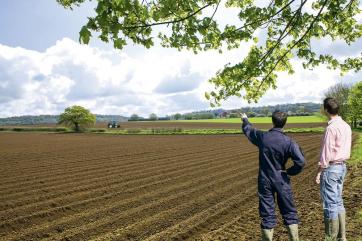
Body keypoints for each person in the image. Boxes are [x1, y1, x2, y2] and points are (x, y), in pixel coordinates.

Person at [241, 111, 305, 241]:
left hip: (265, 179)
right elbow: (301, 162)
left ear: (273, 121)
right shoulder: (289, 142)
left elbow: (249, 130)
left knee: (267, 214)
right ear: (285, 123)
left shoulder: (263, 137)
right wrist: (290, 172)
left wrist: (245, 120)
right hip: (281, 179)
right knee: (289, 212)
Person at [315, 97, 352, 241]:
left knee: (330, 204)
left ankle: (330, 238)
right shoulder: (346, 125)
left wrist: (319, 171)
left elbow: (326, 153)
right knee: (338, 202)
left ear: (326, 110)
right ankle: (342, 237)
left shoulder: (331, 128)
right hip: (342, 167)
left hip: (331, 169)